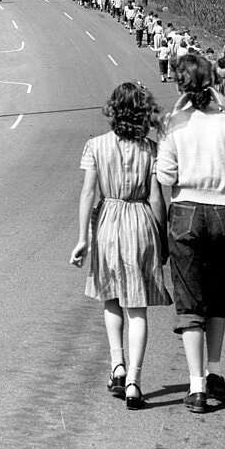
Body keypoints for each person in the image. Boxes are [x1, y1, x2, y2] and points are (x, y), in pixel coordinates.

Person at [70, 83, 171, 410]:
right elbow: (156, 197)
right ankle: (134, 383)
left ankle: (117, 366)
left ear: (113, 111)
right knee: (137, 308)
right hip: (141, 221)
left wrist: (83, 238)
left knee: (110, 299)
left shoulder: (95, 146)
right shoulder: (151, 149)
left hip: (108, 223)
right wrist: (162, 237)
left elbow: (88, 193)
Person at [157, 54, 225, 415]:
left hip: (186, 210)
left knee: (190, 302)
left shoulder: (174, 124)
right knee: (218, 293)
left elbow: (165, 174)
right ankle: (216, 372)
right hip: (224, 211)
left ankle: (195, 386)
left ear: (180, 85)